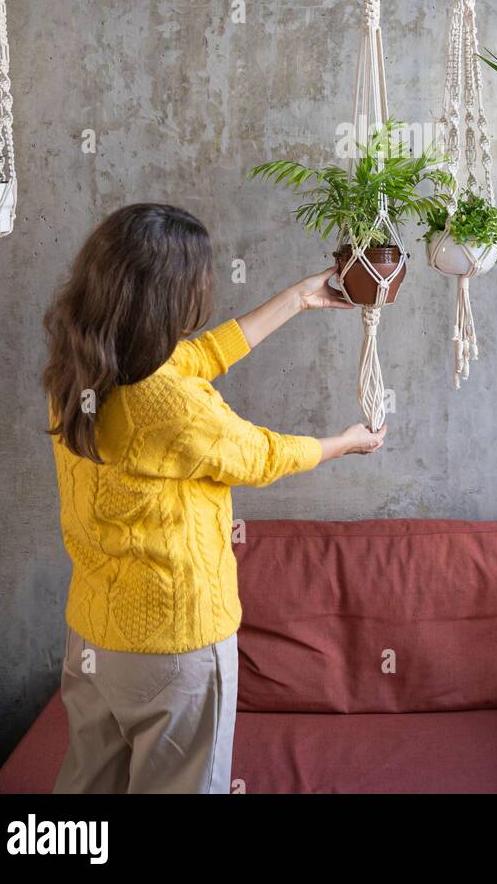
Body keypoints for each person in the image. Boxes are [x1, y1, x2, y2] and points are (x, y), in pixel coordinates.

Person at [44, 202, 384, 794]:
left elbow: (195, 358)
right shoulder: (168, 405)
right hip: (172, 647)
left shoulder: (84, 366)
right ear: (167, 298)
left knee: (87, 792)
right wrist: (346, 442)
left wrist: (297, 298)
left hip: (94, 640)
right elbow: (260, 455)